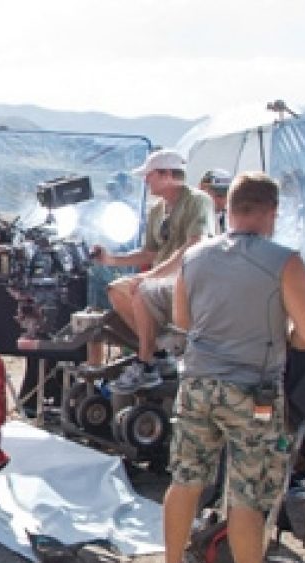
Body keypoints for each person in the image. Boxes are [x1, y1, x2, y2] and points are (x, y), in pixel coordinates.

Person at [150, 171, 305, 563]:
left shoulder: (195, 256)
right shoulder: (285, 262)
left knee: (185, 478)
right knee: (248, 493)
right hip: (252, 392)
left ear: (230, 209)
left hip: (198, 384)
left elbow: (183, 318)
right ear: (271, 212)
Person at [91, 149, 214, 392]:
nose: (146, 182)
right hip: (162, 280)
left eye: (150, 176)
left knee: (142, 288)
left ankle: (145, 362)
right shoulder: (157, 210)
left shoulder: (198, 201)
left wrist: (151, 275)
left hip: (191, 279)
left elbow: (194, 245)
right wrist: (110, 259)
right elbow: (150, 253)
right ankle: (159, 353)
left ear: (167, 174)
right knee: (116, 290)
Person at [199, 168, 232, 233]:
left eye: (225, 194)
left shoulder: (234, 220)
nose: (221, 199)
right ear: (202, 189)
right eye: (217, 194)